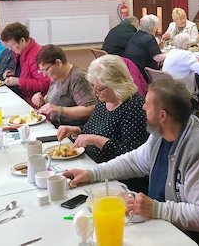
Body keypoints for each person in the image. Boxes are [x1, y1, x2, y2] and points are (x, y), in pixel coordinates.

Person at [62, 79, 199, 246]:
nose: (142, 108)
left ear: (162, 115)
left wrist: (158, 209)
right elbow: (133, 161)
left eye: (147, 105)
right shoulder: (162, 134)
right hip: (168, 227)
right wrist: (92, 173)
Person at [56, 55, 150, 193]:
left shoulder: (135, 107)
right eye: (93, 86)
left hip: (118, 181)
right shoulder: (105, 101)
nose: (95, 92)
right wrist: (76, 130)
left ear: (116, 84)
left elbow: (131, 157)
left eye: (99, 89)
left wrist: (95, 140)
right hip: (92, 166)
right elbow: (95, 129)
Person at [31, 45, 97, 127]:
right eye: (41, 71)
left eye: (45, 70)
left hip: (73, 130)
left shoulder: (78, 78)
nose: (44, 75)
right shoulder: (56, 76)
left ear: (58, 63)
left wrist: (59, 110)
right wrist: (41, 101)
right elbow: (55, 99)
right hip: (57, 126)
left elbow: (90, 109)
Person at [0, 22, 50, 107]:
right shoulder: (21, 52)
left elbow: (45, 84)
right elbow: (27, 73)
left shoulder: (36, 56)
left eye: (12, 46)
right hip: (24, 95)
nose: (10, 49)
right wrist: (14, 73)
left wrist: (18, 81)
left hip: (34, 102)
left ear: (22, 41)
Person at [161, 33, 199, 107]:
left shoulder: (171, 52)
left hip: (168, 88)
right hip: (181, 90)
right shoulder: (187, 55)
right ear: (188, 45)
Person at [124, 15, 166, 83]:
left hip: (132, 69)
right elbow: (158, 58)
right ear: (152, 28)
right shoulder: (149, 38)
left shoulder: (136, 34)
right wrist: (170, 53)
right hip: (144, 72)